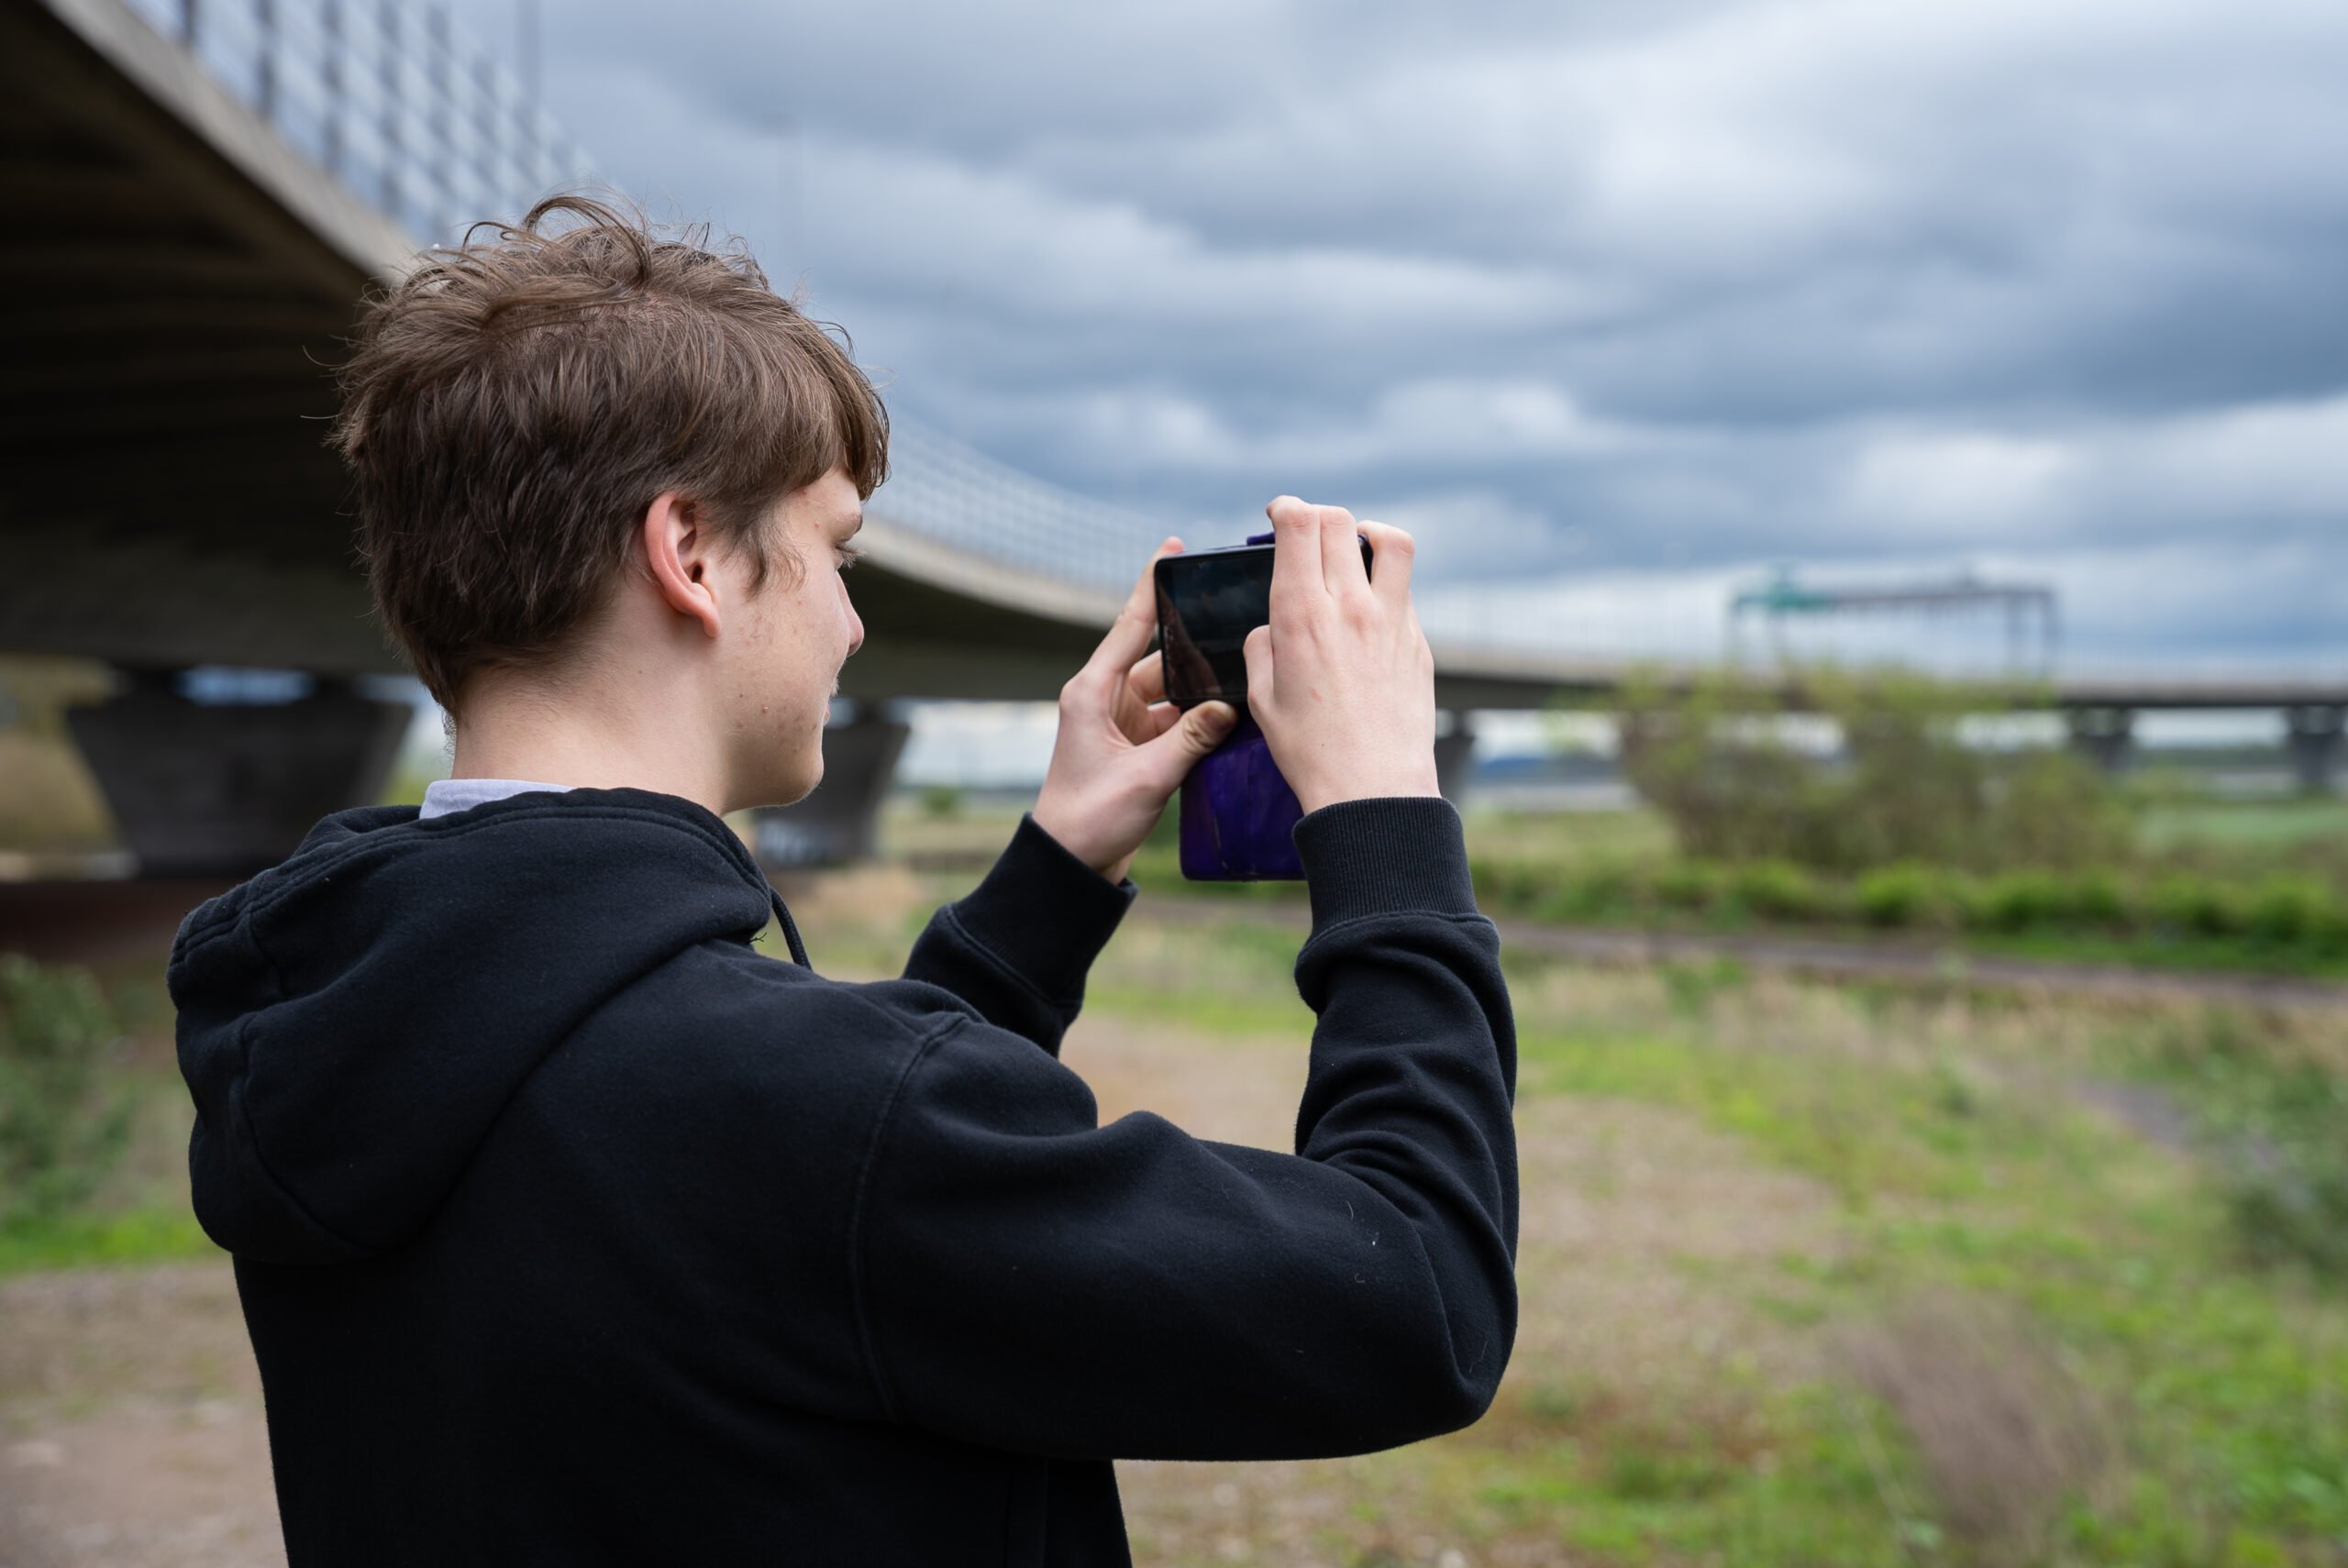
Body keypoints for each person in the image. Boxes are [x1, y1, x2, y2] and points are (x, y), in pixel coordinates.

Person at [168, 196, 1517, 1567]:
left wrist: (1047, 880)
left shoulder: (333, 1035)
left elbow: (779, 1222)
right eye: (838, 548)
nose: (856, 619)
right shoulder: (801, 1117)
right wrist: (1386, 817)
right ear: (689, 552)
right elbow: (1416, 1298)